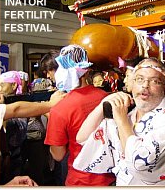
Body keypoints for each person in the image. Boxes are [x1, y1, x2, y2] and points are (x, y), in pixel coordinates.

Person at [74, 58, 165, 185]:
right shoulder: (130, 114)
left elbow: (139, 162)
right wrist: (102, 105)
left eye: (155, 81)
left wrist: (121, 120)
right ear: (132, 84)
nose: (145, 85)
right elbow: (82, 138)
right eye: (140, 79)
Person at [44, 44, 115, 186]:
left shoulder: (60, 109)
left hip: (81, 180)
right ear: (87, 70)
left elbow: (58, 155)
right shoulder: (107, 97)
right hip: (112, 176)